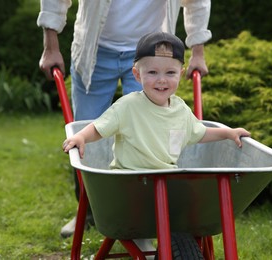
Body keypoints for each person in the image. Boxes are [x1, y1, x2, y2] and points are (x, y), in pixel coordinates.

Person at [37, 0, 213, 238]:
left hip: (153, 58)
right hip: (94, 48)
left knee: (148, 133)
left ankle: (140, 221)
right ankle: (87, 212)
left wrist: (198, 52)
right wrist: (50, 46)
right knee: (85, 136)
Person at [63, 31, 250, 180]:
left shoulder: (181, 109)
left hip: (167, 179)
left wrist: (228, 133)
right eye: (152, 72)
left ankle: (176, 228)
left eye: (170, 73)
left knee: (182, 211)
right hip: (129, 179)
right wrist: (81, 136)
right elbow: (99, 127)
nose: (161, 80)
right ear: (137, 75)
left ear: (180, 74)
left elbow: (198, 132)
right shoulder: (128, 106)